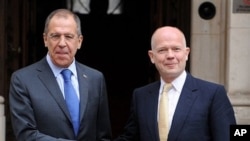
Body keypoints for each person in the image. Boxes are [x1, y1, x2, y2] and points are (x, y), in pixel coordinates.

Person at [114, 26, 236, 141]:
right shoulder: (141, 96)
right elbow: (130, 137)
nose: (170, 56)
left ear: (186, 53)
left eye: (176, 49)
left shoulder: (213, 94)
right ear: (152, 56)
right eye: (162, 50)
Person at [9, 9, 112, 141]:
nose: (62, 43)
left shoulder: (95, 79)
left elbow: (103, 135)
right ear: (45, 39)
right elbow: (26, 135)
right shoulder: (23, 80)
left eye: (69, 37)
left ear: (79, 41)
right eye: (55, 36)